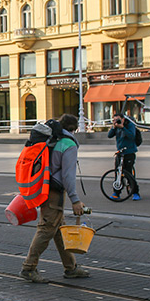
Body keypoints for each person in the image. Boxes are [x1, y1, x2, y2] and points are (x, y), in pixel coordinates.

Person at [20, 114, 89, 283]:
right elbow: (68, 176)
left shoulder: (52, 139)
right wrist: (75, 200)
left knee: (59, 230)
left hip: (44, 187)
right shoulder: (69, 144)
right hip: (54, 192)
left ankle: (70, 267)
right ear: (75, 129)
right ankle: (28, 268)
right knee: (46, 229)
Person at [108, 113, 140, 200]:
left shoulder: (130, 125)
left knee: (128, 173)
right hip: (120, 152)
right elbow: (109, 135)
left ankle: (135, 192)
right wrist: (114, 127)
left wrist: (123, 127)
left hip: (129, 152)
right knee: (118, 173)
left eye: (117, 120)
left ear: (123, 119)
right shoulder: (116, 126)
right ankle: (116, 192)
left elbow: (131, 136)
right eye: (114, 120)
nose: (116, 122)